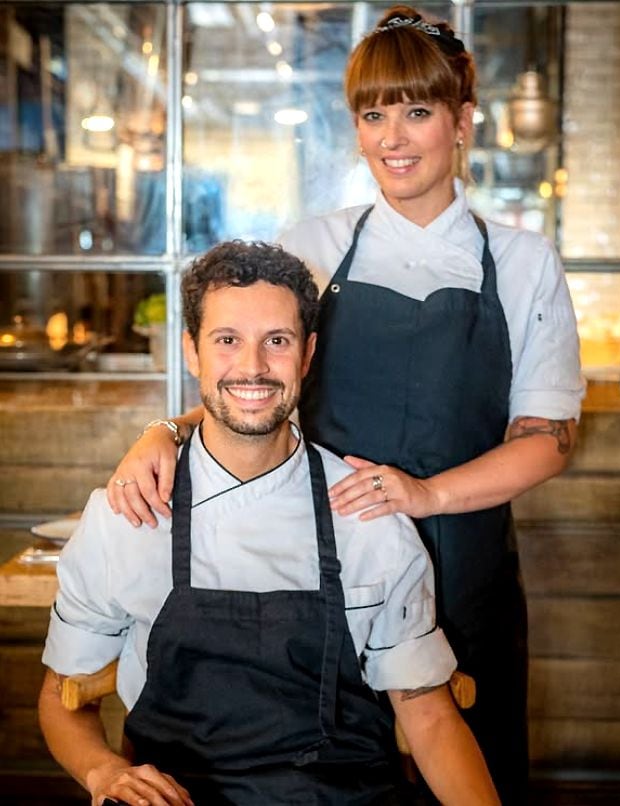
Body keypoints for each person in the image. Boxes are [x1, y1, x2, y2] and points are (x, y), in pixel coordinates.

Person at [105, 7, 585, 803]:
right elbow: (255, 383)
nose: (394, 138)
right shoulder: (315, 245)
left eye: (419, 112)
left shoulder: (524, 261)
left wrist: (426, 494)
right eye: (374, 115)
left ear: (464, 122)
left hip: (467, 574)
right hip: (325, 571)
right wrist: (162, 432)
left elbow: (548, 439)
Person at [39, 240, 499, 806]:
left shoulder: (365, 515)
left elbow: (428, 716)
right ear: (192, 352)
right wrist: (104, 773)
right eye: (227, 340)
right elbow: (64, 696)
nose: (252, 367)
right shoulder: (130, 512)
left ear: (307, 355)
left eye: (275, 342)